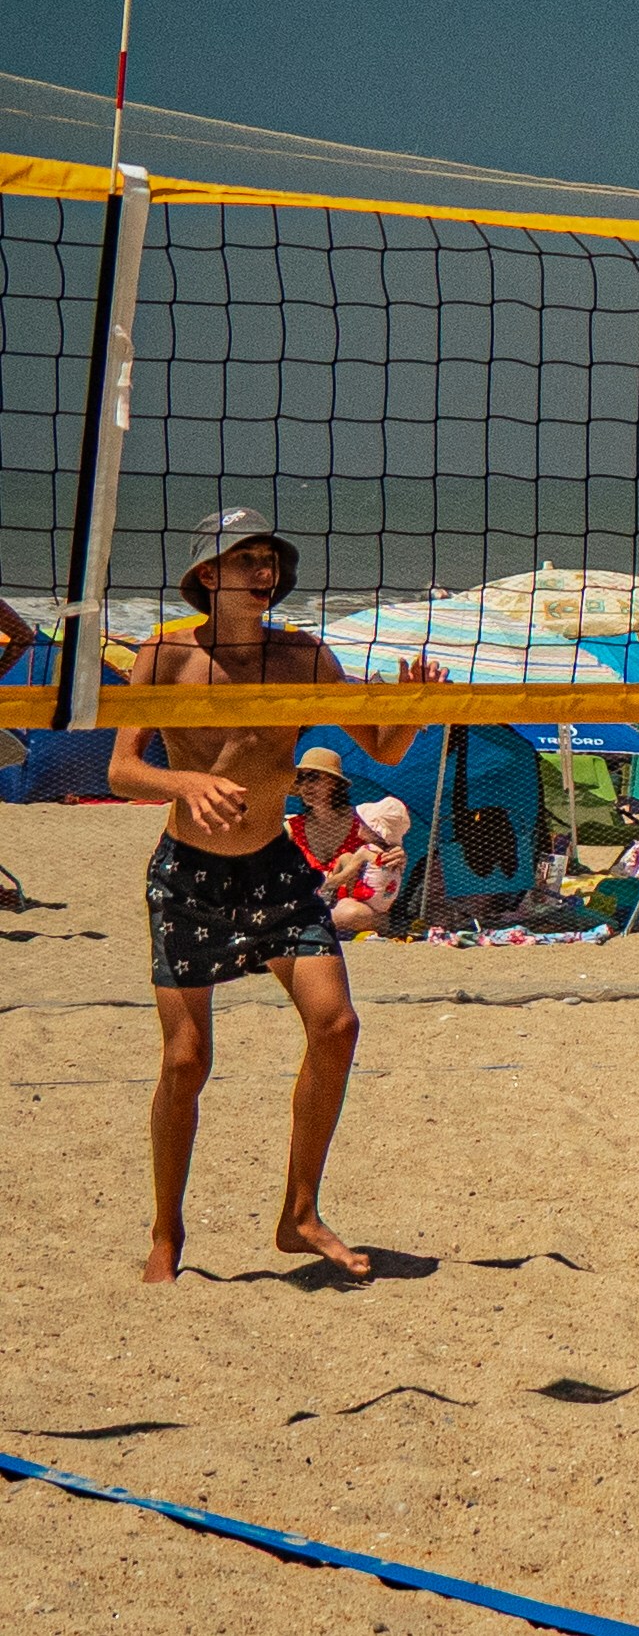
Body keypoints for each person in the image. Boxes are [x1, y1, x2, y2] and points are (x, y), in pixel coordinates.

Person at [108, 509, 446, 1283]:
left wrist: (417, 705)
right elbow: (121, 772)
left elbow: (385, 747)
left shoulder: (303, 654)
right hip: (187, 875)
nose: (263, 572)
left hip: (273, 867)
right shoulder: (163, 653)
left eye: (269, 560)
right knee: (187, 1063)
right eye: (244, 559)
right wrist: (183, 781)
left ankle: (299, 1215)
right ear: (206, 575)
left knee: (337, 1027)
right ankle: (167, 1232)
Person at [286, 747, 410, 935]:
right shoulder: (291, 828)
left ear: (335, 783)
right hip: (307, 904)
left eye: (313, 777)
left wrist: (399, 856)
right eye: (301, 778)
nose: (306, 786)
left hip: (351, 907)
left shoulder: (366, 823)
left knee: (350, 913)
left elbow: (389, 863)